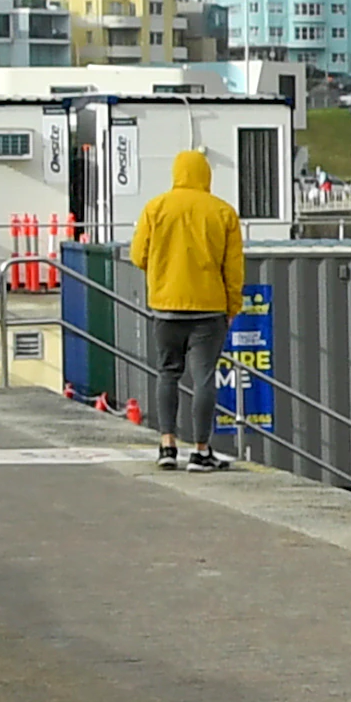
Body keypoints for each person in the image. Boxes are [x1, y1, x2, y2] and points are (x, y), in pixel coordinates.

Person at [127, 146, 245, 472]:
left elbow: (138, 256)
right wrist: (232, 306)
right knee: (204, 378)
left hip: (166, 306)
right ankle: (201, 451)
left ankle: (167, 446)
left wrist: (163, 270)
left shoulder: (156, 208)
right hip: (209, 309)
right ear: (206, 175)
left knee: (168, 374)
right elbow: (233, 270)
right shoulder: (223, 212)